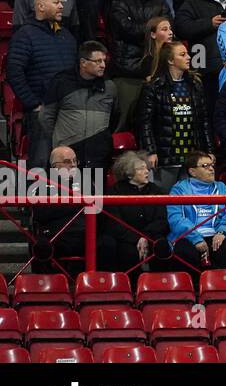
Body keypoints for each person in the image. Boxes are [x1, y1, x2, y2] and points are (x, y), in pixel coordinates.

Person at [137, 41, 209, 190]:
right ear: (170, 60)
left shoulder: (195, 85)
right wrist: (150, 151)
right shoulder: (154, 87)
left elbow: (204, 122)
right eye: (182, 55)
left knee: (191, 200)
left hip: (192, 157)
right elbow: (145, 123)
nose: (188, 57)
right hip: (165, 157)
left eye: (187, 53)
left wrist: (208, 152)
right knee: (163, 200)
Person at [42, 40, 115, 171]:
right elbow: (46, 117)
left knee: (96, 190)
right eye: (98, 61)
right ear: (83, 63)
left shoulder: (109, 86)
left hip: (98, 155)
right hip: (66, 154)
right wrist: (62, 139)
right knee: (64, 191)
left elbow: (115, 117)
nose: (103, 65)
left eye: (104, 61)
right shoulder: (61, 82)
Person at [103, 151, 171, 272]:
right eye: (141, 169)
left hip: (151, 235)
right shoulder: (115, 191)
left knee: (161, 246)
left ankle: (161, 285)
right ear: (129, 174)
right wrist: (136, 238)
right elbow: (114, 223)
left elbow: (161, 220)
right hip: (126, 237)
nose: (147, 172)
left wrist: (145, 237)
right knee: (127, 253)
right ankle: (131, 287)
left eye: (147, 168)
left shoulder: (157, 190)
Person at [166, 150, 226, 269]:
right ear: (192, 172)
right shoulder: (178, 190)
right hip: (188, 236)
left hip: (216, 234)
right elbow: (176, 220)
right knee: (185, 253)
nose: (212, 169)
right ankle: (192, 286)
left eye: (212, 165)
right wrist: (196, 239)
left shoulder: (221, 187)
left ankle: (223, 286)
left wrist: (223, 232)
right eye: (205, 166)